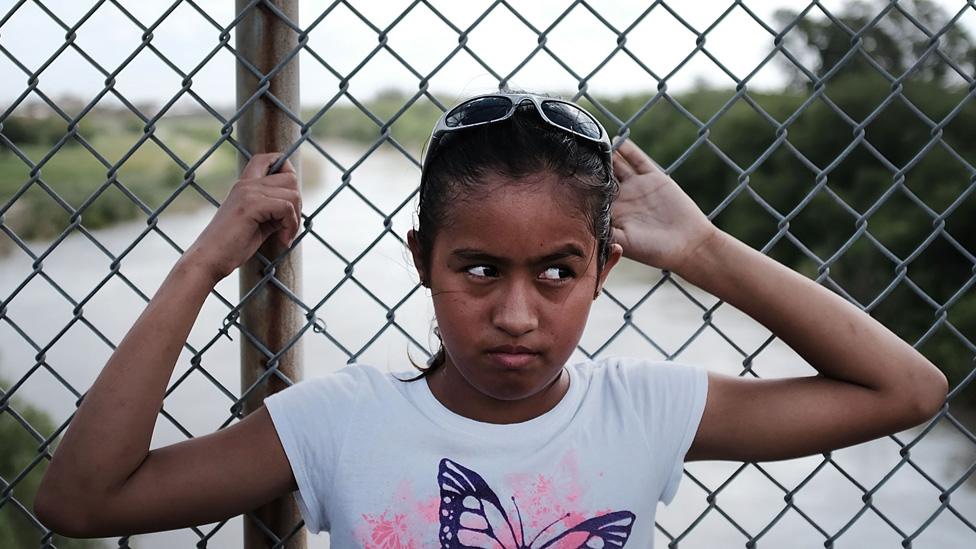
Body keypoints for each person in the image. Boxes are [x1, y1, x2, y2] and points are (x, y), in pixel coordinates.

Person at [33, 91, 947, 547]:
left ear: (607, 272)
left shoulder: (645, 409)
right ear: (421, 259)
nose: (517, 316)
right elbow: (81, 500)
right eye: (477, 268)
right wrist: (203, 259)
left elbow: (909, 389)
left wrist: (707, 252)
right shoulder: (337, 420)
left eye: (559, 270)